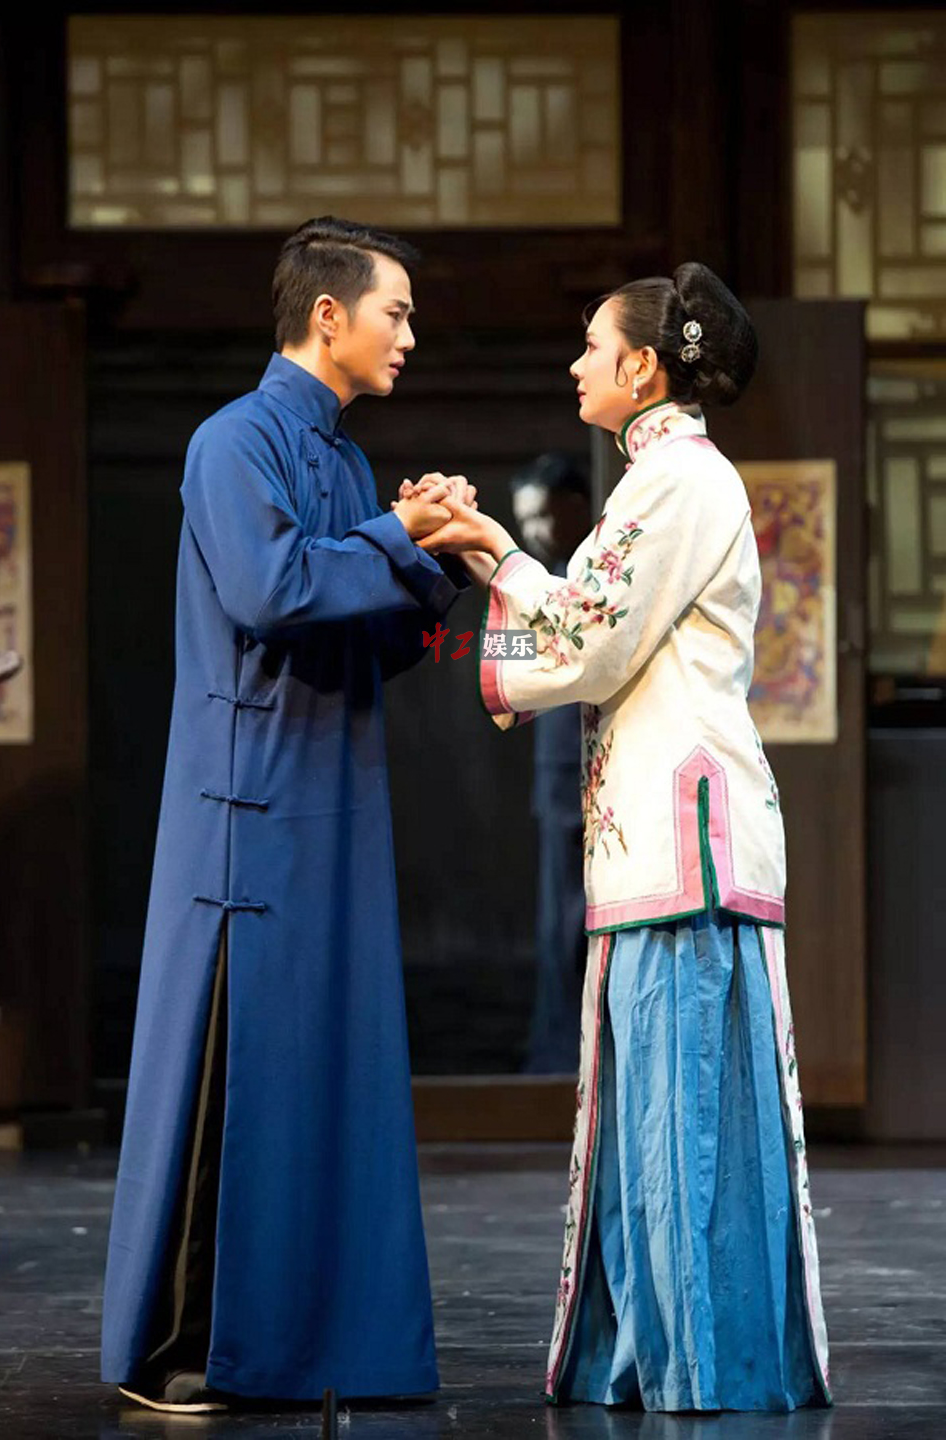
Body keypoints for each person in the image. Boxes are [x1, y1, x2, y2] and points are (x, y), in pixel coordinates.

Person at [418, 264, 831, 1412]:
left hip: (686, 846)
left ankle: (706, 1367)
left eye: (591, 344)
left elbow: (591, 640)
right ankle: (667, 1356)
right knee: (649, 1117)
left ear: (643, 365)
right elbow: (591, 628)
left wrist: (498, 567)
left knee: (683, 1122)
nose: (576, 363)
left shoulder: (678, 480)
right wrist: (493, 576)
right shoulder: (657, 480)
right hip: (656, 842)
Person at [101, 216, 473, 1413]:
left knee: (329, 1070)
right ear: (329, 314)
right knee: (234, 1075)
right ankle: (180, 1348)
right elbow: (271, 591)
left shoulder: (349, 466)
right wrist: (394, 537)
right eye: (395, 313)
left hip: (333, 799)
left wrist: (434, 557)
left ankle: (320, 1348)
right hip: (247, 807)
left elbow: (373, 636)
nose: (407, 335)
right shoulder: (232, 442)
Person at [509, 454, 592, 1074]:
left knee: (586, 918)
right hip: (559, 773)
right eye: (523, 522)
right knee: (559, 920)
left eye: (541, 515)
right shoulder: (538, 579)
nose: (533, 532)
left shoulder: (596, 569)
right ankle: (558, 1054)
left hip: (599, 766)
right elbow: (499, 658)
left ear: (574, 505)